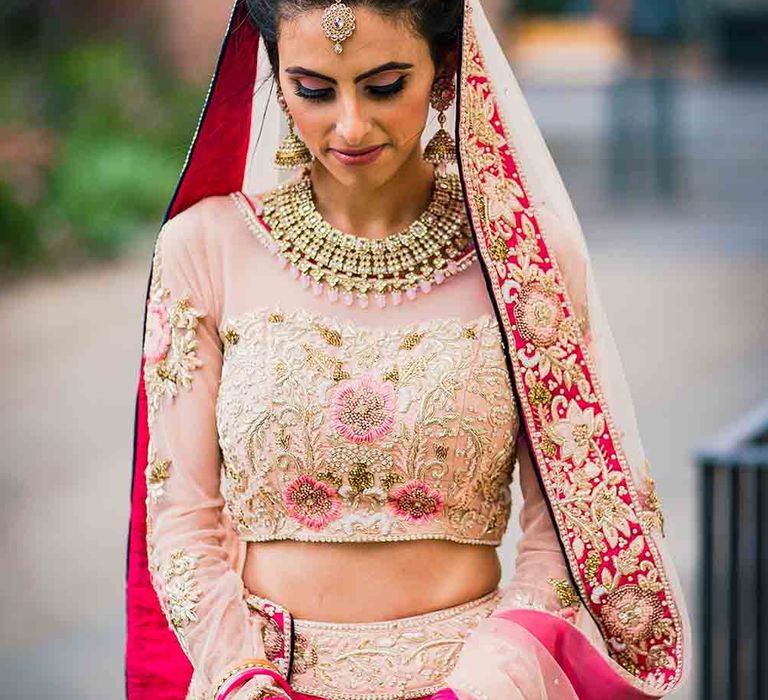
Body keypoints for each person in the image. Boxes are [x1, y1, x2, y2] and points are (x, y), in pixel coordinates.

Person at [125, 1, 691, 698]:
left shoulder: (523, 260)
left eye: (385, 86)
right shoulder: (203, 249)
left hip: (475, 684)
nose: (351, 124)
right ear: (275, 76)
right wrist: (244, 679)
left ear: (446, 69)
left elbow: (566, 531)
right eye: (314, 89)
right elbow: (180, 519)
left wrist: (480, 685)